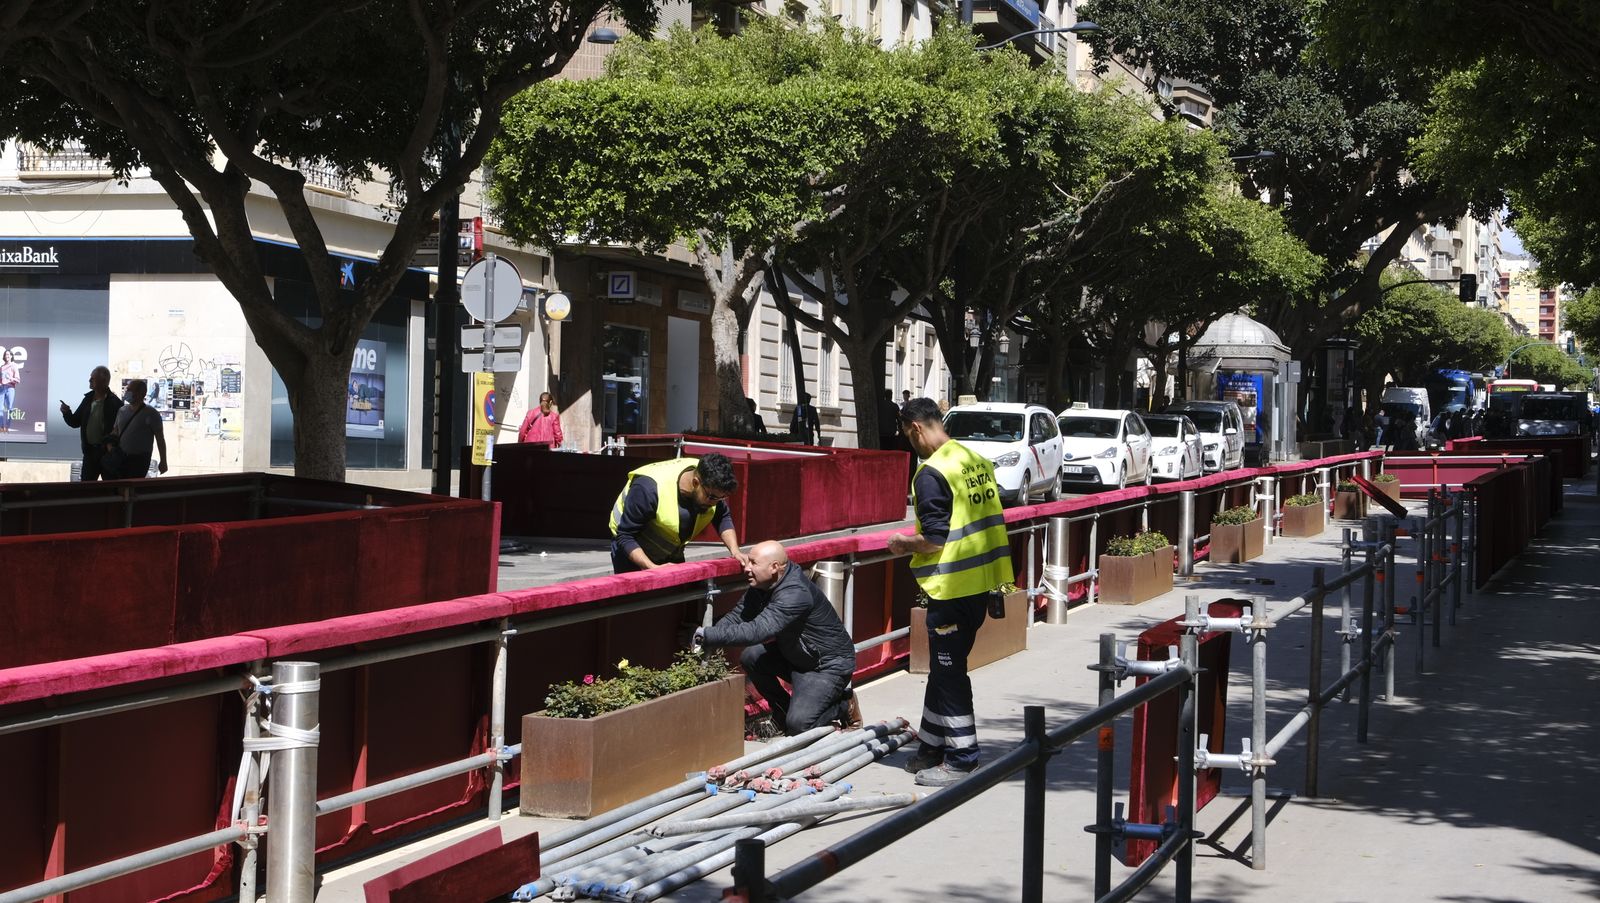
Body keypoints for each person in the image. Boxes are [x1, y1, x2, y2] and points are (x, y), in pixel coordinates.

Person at [887, 397, 1014, 787]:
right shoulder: (971, 459)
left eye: (908, 437)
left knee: (949, 672)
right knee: (943, 670)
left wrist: (902, 543)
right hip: (980, 583)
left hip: (952, 586)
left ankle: (962, 757)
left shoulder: (930, 474)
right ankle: (930, 745)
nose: (911, 445)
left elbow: (935, 540)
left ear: (916, 429)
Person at [693, 540, 860, 735]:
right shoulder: (763, 585)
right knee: (751, 657)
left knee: (800, 725)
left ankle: (843, 704)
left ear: (774, 567)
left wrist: (708, 635)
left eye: (753, 563)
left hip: (825, 666)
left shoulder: (795, 593)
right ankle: (782, 712)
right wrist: (707, 636)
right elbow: (738, 615)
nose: (746, 568)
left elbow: (758, 630)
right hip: (795, 654)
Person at [609, 452, 748, 573]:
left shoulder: (711, 482)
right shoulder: (648, 489)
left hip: (671, 549)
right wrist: (653, 568)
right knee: (637, 600)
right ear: (695, 483)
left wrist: (735, 551)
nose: (715, 503)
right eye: (711, 497)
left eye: (721, 498)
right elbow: (625, 536)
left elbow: (722, 515)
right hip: (630, 547)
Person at [59, 365, 124, 480]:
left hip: (107, 454)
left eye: (93, 378)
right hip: (90, 453)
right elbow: (75, 422)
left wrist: (112, 447)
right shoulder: (88, 399)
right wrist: (66, 412)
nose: (89, 380)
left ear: (103, 381)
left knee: (110, 488)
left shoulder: (115, 403)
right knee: (87, 488)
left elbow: (120, 429)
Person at [107, 379, 169, 478]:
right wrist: (110, 445)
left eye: (130, 390)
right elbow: (116, 430)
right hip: (120, 457)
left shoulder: (152, 414)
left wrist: (163, 461)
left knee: (133, 487)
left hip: (140, 460)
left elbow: (160, 439)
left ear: (141, 393)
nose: (126, 392)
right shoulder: (122, 410)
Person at [0, 349, 18, 433]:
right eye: (6, 355)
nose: (7, 356)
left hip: (10, 388)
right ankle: (1, 427)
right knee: (0, 408)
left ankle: (7, 427)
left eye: (8, 355)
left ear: (11, 356)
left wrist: (10, 378)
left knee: (10, 408)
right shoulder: (2, 367)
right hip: (2, 388)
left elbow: (18, 380)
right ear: (4, 356)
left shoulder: (14, 366)